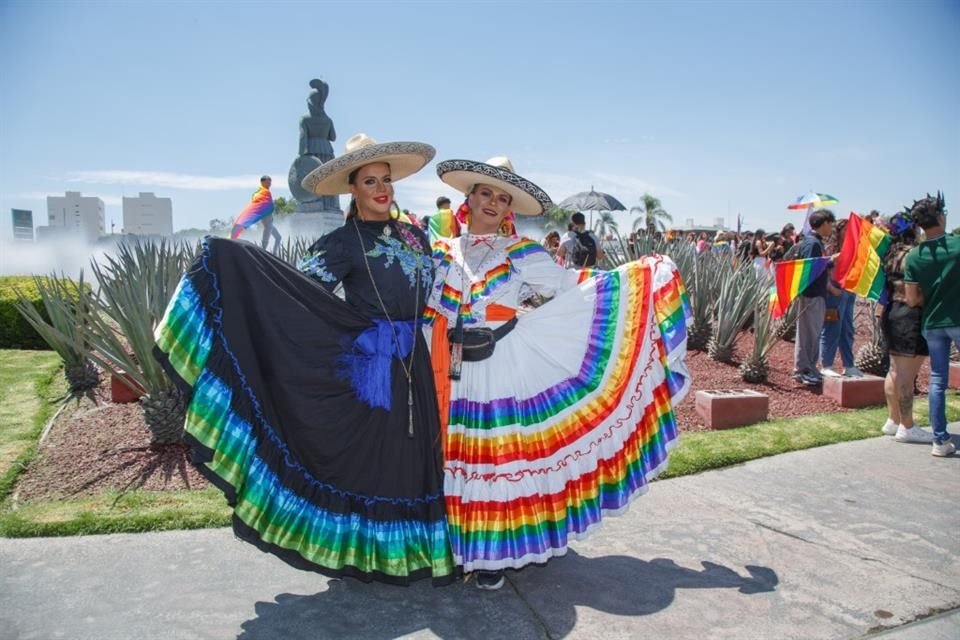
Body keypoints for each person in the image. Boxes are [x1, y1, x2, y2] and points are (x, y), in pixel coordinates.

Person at [154, 133, 456, 584]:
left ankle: (413, 552)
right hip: (370, 368)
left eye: (386, 180)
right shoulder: (343, 243)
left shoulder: (416, 236)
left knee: (415, 455)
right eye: (369, 181)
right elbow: (298, 294)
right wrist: (237, 262)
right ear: (352, 189)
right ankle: (370, 552)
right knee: (377, 460)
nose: (381, 189)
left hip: (417, 360)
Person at [425, 156, 691, 590]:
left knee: (497, 459)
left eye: (502, 198)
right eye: (485, 193)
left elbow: (569, 285)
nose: (492, 202)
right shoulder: (439, 252)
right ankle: (459, 547)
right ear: (468, 198)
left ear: (508, 208)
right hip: (451, 368)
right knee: (456, 457)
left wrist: (639, 277)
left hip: (501, 363)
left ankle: (493, 556)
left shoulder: (522, 252)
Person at [904, 192, 959, 457]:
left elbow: (912, 299)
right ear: (939, 216)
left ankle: (940, 440)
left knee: (937, 381)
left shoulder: (914, 256)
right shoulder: (957, 246)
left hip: (933, 322)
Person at [876, 213, 932, 443]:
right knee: (906, 375)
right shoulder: (915, 254)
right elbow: (916, 293)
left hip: (891, 312)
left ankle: (894, 419)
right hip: (910, 315)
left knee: (895, 370)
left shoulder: (890, 254)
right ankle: (907, 426)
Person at [793, 209, 837, 386]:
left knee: (812, 333)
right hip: (812, 295)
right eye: (831, 224)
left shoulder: (810, 242)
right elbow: (811, 269)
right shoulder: (813, 244)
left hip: (812, 295)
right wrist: (830, 262)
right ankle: (804, 369)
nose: (831, 228)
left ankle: (809, 367)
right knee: (809, 334)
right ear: (824, 223)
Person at [819, 219, 860, 378]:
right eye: (846, 229)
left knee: (847, 329)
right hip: (835, 292)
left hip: (849, 291)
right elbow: (821, 270)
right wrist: (830, 288)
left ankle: (849, 365)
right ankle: (826, 365)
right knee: (832, 328)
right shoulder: (830, 249)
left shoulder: (854, 249)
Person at [230, 175, 282, 253]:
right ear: (263, 182)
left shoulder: (265, 192)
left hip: (269, 221)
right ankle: (262, 252)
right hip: (266, 221)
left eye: (270, 183)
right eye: (268, 182)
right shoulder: (260, 193)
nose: (269, 184)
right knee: (266, 238)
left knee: (278, 238)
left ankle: (274, 254)